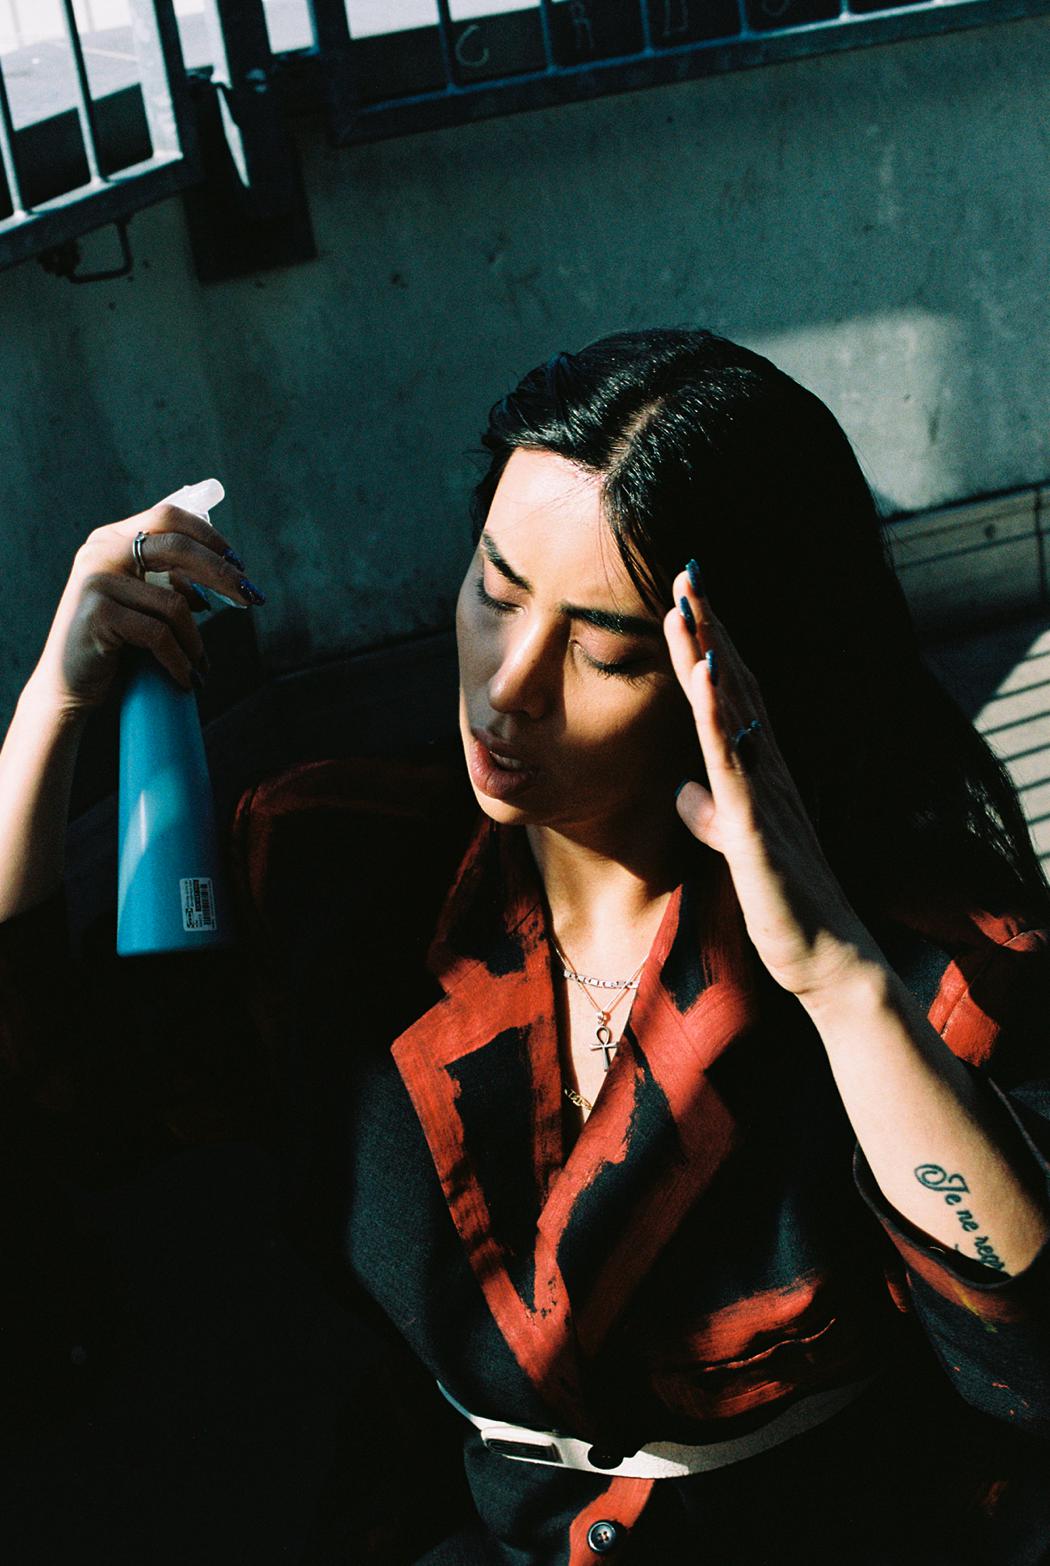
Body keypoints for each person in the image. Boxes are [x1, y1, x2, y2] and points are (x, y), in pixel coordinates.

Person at [1, 327, 1049, 1565]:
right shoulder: (337, 865)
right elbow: (65, 1091)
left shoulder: (938, 961)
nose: (508, 687)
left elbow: (1026, 1361)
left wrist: (837, 981)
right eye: (495, 594)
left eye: (601, 648)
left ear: (742, 670)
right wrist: (53, 705)